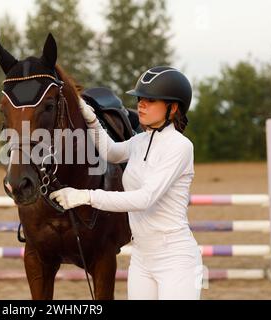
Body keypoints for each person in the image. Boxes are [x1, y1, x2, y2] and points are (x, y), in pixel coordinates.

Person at [50, 66, 203, 300]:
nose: (141, 104)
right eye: (140, 99)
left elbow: (144, 199)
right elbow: (111, 153)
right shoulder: (140, 141)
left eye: (150, 100)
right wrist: (90, 118)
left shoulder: (180, 147)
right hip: (141, 256)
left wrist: (84, 196)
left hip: (176, 258)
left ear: (173, 108)